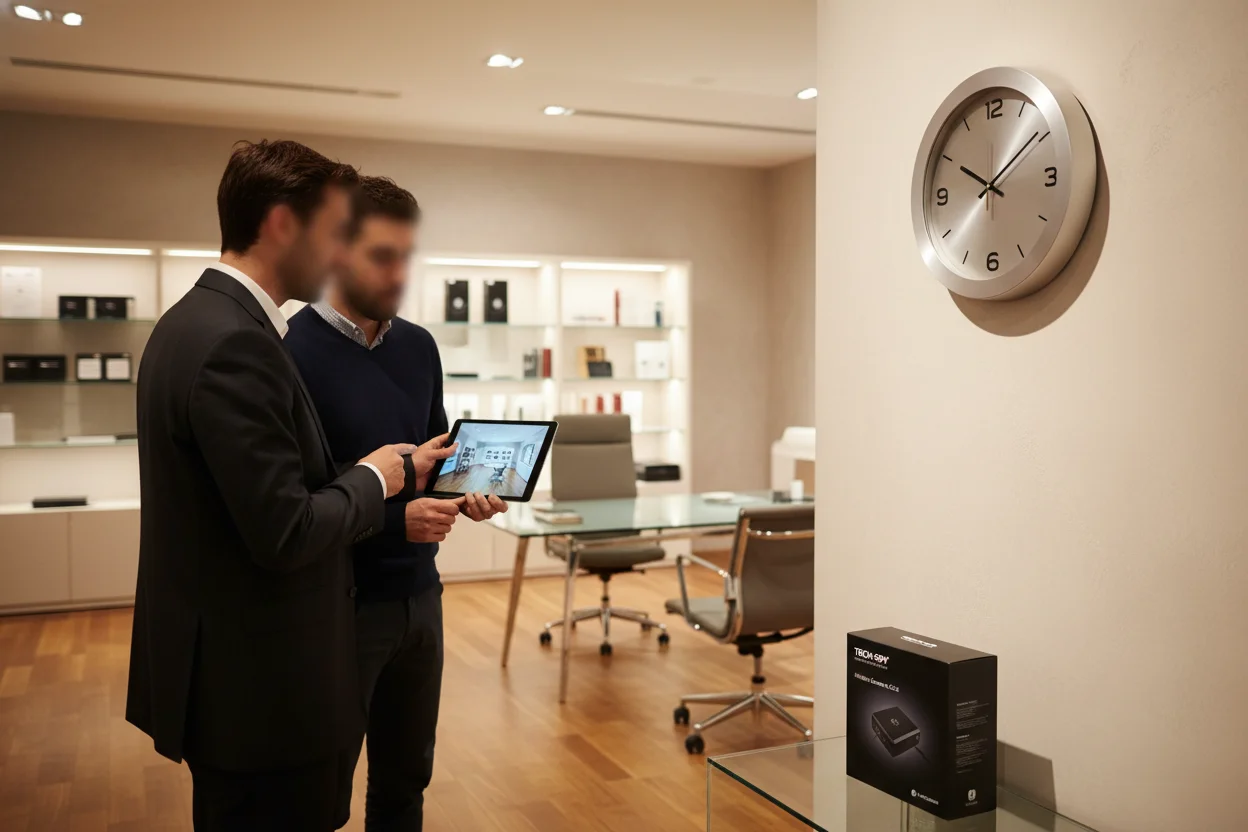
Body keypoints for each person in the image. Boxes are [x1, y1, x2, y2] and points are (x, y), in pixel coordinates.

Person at [126, 140, 418, 831]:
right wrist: (373, 477)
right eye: (335, 231)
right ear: (284, 223)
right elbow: (285, 530)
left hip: (229, 677)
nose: (341, 253)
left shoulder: (193, 322)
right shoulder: (237, 342)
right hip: (264, 690)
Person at [285, 175, 507, 830]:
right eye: (383, 256)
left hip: (420, 598)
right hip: (339, 606)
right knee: (321, 794)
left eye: (407, 256)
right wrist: (393, 520)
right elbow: (294, 502)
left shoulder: (418, 346)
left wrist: (464, 492)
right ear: (337, 252)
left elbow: (432, 455)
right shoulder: (288, 350)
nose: (399, 274)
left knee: (406, 781)